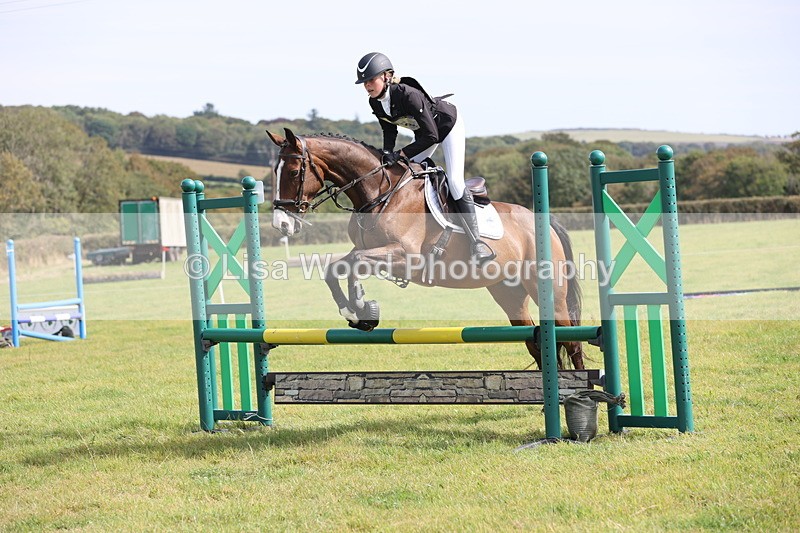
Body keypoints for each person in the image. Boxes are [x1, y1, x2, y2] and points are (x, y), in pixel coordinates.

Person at [355, 52, 495, 263]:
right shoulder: (375, 102)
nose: (367, 86)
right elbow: (390, 131)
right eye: (364, 82)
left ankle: (477, 244)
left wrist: (401, 154)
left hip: (447, 127)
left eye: (370, 80)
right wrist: (387, 152)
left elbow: (433, 136)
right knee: (403, 174)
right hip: (424, 134)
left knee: (455, 181)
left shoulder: (408, 95)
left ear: (386, 76)